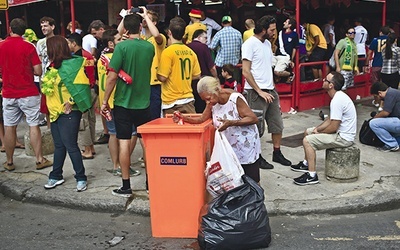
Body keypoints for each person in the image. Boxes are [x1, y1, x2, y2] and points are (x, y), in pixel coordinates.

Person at [101, 14, 154, 197]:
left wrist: (105, 100)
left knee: (124, 142)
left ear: (125, 30)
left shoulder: (121, 47)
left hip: (123, 103)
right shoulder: (149, 47)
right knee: (145, 144)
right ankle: (150, 183)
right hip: (144, 103)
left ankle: (126, 185)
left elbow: (112, 76)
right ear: (141, 27)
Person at [173, 76, 261, 183]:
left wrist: (231, 123)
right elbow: (201, 119)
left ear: (217, 91)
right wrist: (183, 117)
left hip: (245, 146)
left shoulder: (234, 99)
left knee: (251, 180)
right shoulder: (212, 102)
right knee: (235, 181)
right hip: (229, 148)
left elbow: (253, 118)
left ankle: (256, 199)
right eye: (204, 100)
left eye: (208, 98)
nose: (207, 102)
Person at [0, 18, 53, 171]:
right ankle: (39, 159)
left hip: (9, 93)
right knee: (34, 125)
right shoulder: (29, 46)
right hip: (28, 91)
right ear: (24, 31)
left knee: (10, 126)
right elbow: (38, 70)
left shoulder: (1, 46)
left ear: (10, 29)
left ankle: (9, 162)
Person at [42, 35, 92, 191]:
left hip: (69, 112)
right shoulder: (52, 67)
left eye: (48, 48)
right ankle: (56, 175)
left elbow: (83, 87)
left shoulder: (73, 65)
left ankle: (81, 177)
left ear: (54, 49)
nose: (45, 51)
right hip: (55, 112)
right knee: (59, 145)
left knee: (71, 145)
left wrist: (71, 101)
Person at [242, 15, 292, 169]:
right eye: (272, 29)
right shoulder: (250, 44)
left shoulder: (267, 44)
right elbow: (245, 71)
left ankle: (277, 152)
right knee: (256, 128)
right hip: (255, 92)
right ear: (263, 29)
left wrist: (285, 65)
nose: (274, 32)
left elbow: (270, 65)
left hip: (270, 89)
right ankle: (256, 157)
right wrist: (259, 91)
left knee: (277, 123)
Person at [291, 71, 357, 185]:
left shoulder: (337, 100)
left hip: (343, 138)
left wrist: (317, 134)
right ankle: (306, 164)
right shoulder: (338, 96)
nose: (323, 81)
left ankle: (312, 175)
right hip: (339, 133)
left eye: (326, 80)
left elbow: (333, 127)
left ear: (331, 85)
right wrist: (317, 129)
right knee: (308, 132)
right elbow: (330, 120)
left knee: (308, 141)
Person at [98, 29, 140, 177]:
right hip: (119, 100)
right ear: (111, 43)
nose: (122, 42)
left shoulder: (101, 58)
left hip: (106, 101)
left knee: (113, 134)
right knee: (132, 133)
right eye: (119, 40)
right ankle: (124, 164)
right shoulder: (118, 57)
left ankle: (116, 165)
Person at [157, 17, 201, 115]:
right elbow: (197, 75)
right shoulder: (191, 52)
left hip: (171, 102)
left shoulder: (167, 52)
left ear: (169, 32)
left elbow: (163, 77)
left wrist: (156, 74)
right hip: (188, 99)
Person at [66, 32, 97, 159]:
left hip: (84, 92)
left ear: (74, 43)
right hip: (92, 89)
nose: (67, 45)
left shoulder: (77, 58)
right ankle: (91, 146)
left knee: (83, 121)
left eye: (68, 43)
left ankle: (87, 149)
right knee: (91, 119)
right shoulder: (88, 55)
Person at [187, 29, 217, 112]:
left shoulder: (187, 47)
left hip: (190, 82)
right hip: (204, 82)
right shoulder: (204, 47)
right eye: (205, 38)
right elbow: (211, 67)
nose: (207, 40)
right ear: (199, 37)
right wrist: (216, 77)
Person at [364, 26, 391, 110]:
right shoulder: (390, 40)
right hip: (386, 66)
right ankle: (383, 104)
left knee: (375, 85)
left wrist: (366, 64)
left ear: (380, 32)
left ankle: (376, 101)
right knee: (385, 85)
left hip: (376, 64)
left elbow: (369, 53)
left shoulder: (375, 40)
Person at [369, 81, 400, 152]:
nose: (376, 98)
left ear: (379, 93)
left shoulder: (390, 94)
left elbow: (385, 113)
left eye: (375, 96)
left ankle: (392, 145)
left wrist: (375, 118)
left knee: (373, 123)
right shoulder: (393, 92)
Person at [210, 15, 242, 82]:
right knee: (235, 83)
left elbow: (212, 47)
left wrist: (218, 48)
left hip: (222, 64)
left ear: (222, 23)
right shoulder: (238, 33)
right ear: (231, 22)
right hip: (235, 63)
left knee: (223, 84)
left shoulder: (219, 33)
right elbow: (242, 47)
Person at [273, 17, 298, 83]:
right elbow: (276, 45)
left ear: (290, 25)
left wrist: (291, 60)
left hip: (285, 56)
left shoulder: (294, 35)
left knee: (277, 72)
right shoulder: (281, 33)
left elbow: (294, 48)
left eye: (286, 22)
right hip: (277, 55)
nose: (284, 23)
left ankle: (290, 74)